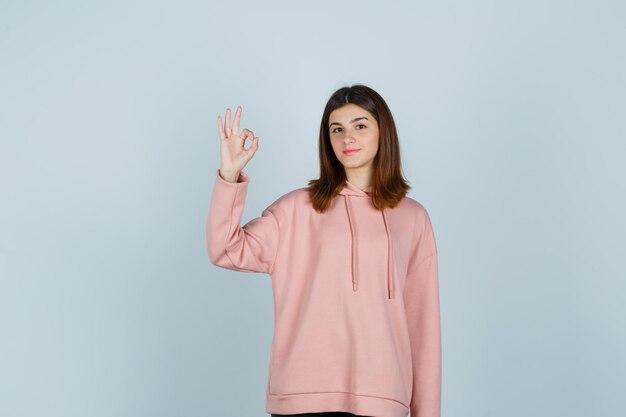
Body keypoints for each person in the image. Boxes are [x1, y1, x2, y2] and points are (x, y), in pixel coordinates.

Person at [206, 84, 441, 417]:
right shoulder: (297, 209)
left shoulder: (413, 219)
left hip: (383, 399)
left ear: (382, 132)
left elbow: (423, 327)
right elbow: (225, 249)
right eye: (337, 129)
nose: (348, 138)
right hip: (302, 399)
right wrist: (229, 177)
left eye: (360, 125)